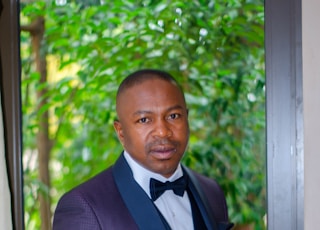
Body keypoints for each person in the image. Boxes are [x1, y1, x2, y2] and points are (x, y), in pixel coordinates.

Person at [53, 69, 233, 230]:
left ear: (187, 118)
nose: (163, 132)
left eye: (173, 116)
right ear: (121, 132)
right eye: (144, 120)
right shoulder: (84, 207)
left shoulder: (212, 192)